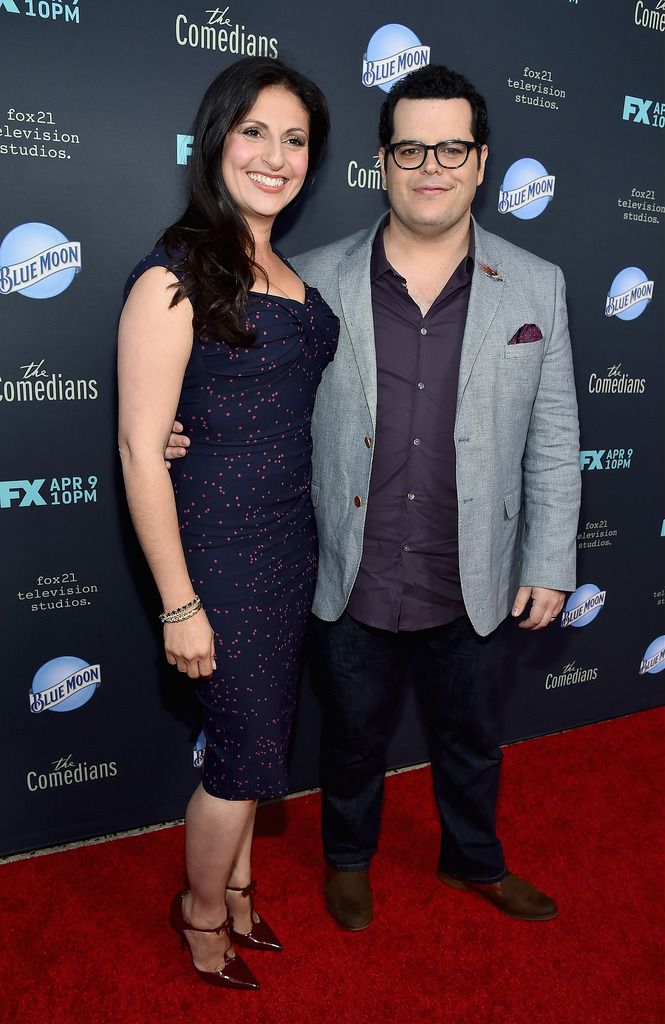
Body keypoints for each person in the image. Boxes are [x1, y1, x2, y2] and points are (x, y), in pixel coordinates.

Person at [166, 64, 580, 932]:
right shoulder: (307, 280)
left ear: (480, 161)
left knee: (470, 739)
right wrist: (179, 433)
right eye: (409, 147)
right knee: (349, 740)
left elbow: (552, 438)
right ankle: (346, 861)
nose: (431, 165)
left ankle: (475, 859)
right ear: (381, 162)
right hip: (346, 566)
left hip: (472, 567)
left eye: (452, 147)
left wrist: (548, 560)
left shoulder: (537, 285)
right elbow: (248, 396)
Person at [118, 57, 337, 990]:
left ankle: (241, 886)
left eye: (294, 140)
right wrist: (178, 604)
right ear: (215, 139)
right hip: (216, 552)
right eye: (255, 131)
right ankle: (202, 913)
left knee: (261, 741)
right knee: (243, 755)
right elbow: (138, 447)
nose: (275, 156)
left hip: (291, 542)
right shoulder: (175, 274)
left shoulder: (288, 269)